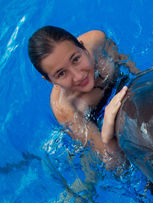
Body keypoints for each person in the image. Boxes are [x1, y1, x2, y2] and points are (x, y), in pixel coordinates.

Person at [28, 26, 144, 170]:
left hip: (123, 91)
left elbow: (132, 70)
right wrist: (108, 136)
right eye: (61, 74)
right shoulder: (66, 107)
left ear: (83, 47)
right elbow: (117, 165)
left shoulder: (98, 41)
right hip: (99, 123)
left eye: (76, 59)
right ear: (50, 81)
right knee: (89, 178)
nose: (78, 76)